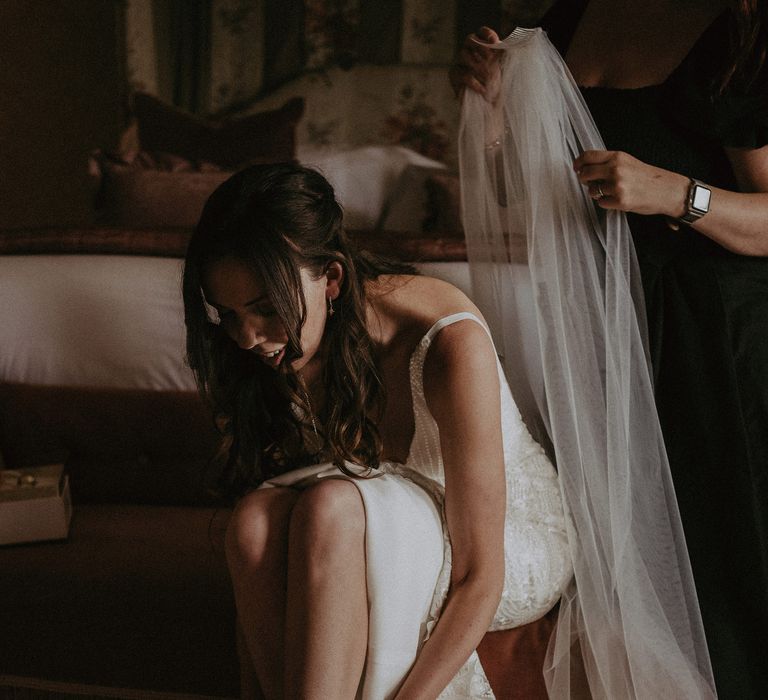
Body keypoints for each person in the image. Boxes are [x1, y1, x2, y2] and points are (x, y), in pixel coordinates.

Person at [451, 1, 768, 697]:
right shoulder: (574, 19)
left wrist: (678, 194)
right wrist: (500, 108)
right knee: (642, 569)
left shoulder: (742, 28)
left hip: (723, 336)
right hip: (613, 334)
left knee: (733, 563)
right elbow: (521, 194)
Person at [182, 162, 572, 699]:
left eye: (265, 309)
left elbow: (481, 575)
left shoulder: (448, 345)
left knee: (330, 509)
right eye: (226, 315)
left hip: (504, 541)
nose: (246, 338)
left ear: (333, 279)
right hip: (381, 510)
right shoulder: (285, 341)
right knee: (250, 523)